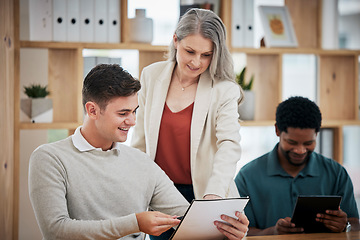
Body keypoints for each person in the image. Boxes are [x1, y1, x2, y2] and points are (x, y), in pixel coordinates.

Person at [28, 64, 249, 240]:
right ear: (92, 110)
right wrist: (134, 223)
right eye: (123, 113)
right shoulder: (49, 158)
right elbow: (56, 231)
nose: (132, 121)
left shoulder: (141, 163)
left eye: (134, 111)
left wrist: (227, 229)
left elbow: (188, 219)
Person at [131, 8, 242, 204]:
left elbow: (229, 145)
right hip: (159, 195)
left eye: (206, 55)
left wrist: (215, 192)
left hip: (205, 193)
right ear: (176, 40)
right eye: (190, 51)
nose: (196, 62)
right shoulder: (151, 75)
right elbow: (140, 142)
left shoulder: (224, 90)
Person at [235, 96, 359, 236]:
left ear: (316, 134)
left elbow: (355, 224)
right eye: (292, 142)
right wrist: (273, 232)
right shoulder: (247, 177)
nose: (300, 150)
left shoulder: (336, 173)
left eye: (308, 143)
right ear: (277, 130)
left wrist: (345, 225)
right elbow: (239, 233)